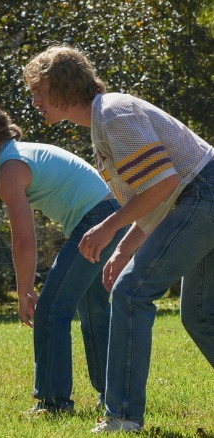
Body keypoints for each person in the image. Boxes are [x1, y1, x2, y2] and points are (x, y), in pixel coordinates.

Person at [24, 44, 214, 433]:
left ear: (62, 86)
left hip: (203, 195)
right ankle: (122, 413)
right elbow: (154, 195)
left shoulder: (113, 112)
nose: (33, 100)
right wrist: (124, 249)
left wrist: (109, 227)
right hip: (199, 197)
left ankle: (123, 416)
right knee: (197, 314)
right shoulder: (104, 119)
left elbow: (165, 184)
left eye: (38, 90)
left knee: (130, 293)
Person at [0, 102, 126, 415]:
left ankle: (54, 403)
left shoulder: (10, 169)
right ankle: (113, 396)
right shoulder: (19, 155)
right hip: (111, 215)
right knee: (93, 308)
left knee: (51, 309)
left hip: (98, 220)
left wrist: (25, 291)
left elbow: (24, 241)